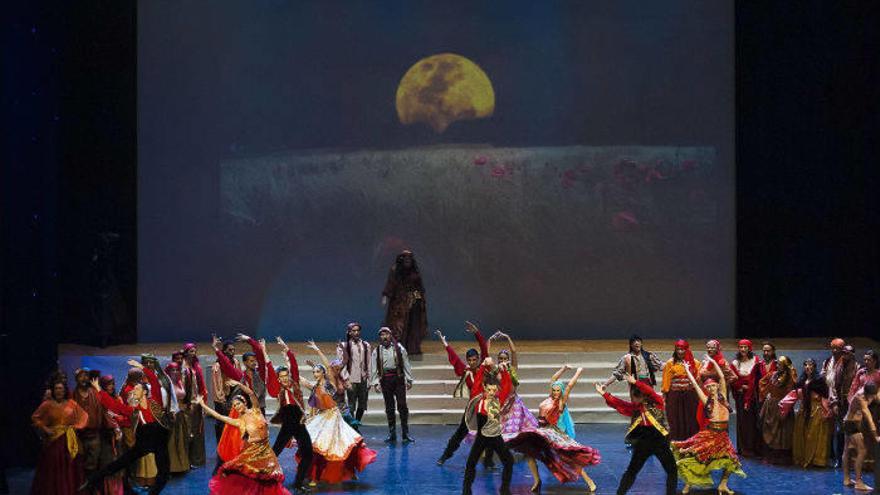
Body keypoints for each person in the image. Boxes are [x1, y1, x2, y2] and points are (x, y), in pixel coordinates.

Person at [79, 359, 172, 495]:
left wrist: (141, 367)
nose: (134, 391)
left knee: (164, 473)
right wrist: (99, 390)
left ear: (145, 392)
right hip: (144, 440)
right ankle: (93, 479)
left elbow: (154, 381)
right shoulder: (134, 410)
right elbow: (115, 406)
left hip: (159, 440)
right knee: (121, 462)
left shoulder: (155, 400)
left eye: (137, 389)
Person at [508, 365, 599, 492]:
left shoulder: (560, 402)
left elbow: (569, 386)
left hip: (552, 432)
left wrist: (578, 372)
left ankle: (589, 480)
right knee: (529, 452)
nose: (556, 392)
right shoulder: (549, 398)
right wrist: (564, 368)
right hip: (540, 430)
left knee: (568, 457)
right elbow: (553, 379)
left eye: (558, 391)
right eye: (554, 390)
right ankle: (537, 480)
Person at [196, 380, 291, 495]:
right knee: (250, 480)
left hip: (266, 453)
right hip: (251, 455)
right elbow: (219, 416)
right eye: (234, 406)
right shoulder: (239, 422)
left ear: (244, 402)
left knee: (266, 480)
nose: (236, 407)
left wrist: (239, 384)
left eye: (238, 404)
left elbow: (251, 393)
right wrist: (202, 405)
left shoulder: (256, 411)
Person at [672, 357, 745, 494]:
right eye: (708, 387)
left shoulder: (723, 396)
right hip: (710, 434)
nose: (711, 388)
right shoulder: (706, 400)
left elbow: (722, 376)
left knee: (731, 460)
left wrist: (713, 361)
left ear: (717, 386)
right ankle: (688, 484)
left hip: (722, 436)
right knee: (699, 459)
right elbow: (695, 384)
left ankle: (722, 485)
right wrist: (687, 370)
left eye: (713, 385)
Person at [598, 373, 676, 495]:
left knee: (672, 471)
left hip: (659, 441)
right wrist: (604, 394)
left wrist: (635, 382)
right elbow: (620, 404)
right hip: (643, 441)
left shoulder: (657, 402)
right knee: (632, 471)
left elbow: (650, 392)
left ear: (643, 396)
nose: (633, 400)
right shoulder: (636, 408)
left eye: (635, 397)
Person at [303, 359, 377, 484]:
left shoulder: (331, 383)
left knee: (342, 445)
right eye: (314, 372)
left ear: (324, 373)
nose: (315, 374)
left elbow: (327, 368)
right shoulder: (316, 387)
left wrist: (318, 351)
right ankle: (315, 475)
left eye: (317, 372)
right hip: (323, 417)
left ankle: (349, 471)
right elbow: (313, 400)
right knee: (318, 446)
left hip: (335, 416)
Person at [436, 322, 491, 465]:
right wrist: (445, 344)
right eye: (470, 360)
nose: (472, 362)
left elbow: (484, 349)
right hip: (472, 407)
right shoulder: (465, 371)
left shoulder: (483, 369)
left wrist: (476, 333)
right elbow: (454, 359)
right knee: (460, 432)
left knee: (489, 434)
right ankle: (445, 456)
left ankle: (489, 462)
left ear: (478, 359)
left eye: (475, 359)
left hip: (485, 406)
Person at [266, 337, 312, 494]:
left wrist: (286, 348)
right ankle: (265, 479)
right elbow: (270, 372)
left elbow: (294, 364)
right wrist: (264, 352)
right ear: (278, 379)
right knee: (275, 452)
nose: (285, 378)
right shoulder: (277, 389)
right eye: (282, 377)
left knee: (308, 453)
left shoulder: (295, 384)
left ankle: (299, 483)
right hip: (288, 421)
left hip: (298, 422)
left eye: (286, 375)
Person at [462, 371, 516, 495]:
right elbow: (476, 383)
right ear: (484, 388)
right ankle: (466, 491)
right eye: (489, 390)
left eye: (494, 390)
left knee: (509, 461)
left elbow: (507, 385)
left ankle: (504, 489)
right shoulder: (479, 401)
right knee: (471, 463)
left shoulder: (499, 400)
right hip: (482, 438)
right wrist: (483, 366)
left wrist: (504, 370)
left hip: (496, 437)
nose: (491, 392)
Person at [30, 380, 88, 495]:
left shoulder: (71, 404)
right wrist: (45, 429)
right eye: (56, 388)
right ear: (53, 390)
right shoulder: (47, 404)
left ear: (65, 390)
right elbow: (35, 418)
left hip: (69, 441)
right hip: (54, 442)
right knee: (54, 468)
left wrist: (76, 427)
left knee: (69, 468)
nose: (58, 391)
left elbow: (84, 416)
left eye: (61, 388)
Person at [487, 331, 540, 440]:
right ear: (498, 360)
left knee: (518, 428)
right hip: (501, 403)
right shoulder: (496, 371)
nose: (503, 361)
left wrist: (507, 337)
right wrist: (490, 341)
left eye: (505, 359)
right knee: (501, 430)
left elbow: (514, 352)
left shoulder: (513, 369)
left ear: (508, 360)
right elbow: (486, 356)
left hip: (514, 403)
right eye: (500, 359)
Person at [369, 327, 414, 444]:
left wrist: (409, 379)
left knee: (402, 405)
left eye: (386, 334)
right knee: (389, 407)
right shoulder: (377, 351)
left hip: (398, 379)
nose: (384, 337)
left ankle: (405, 433)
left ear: (390, 335)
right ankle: (392, 433)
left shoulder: (398, 348)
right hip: (386, 380)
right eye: (382, 335)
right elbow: (373, 367)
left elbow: (406, 363)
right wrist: (375, 383)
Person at [381, 249, 428, 355]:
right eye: (405, 258)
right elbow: (391, 284)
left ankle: (412, 348)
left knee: (413, 325)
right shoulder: (395, 270)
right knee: (398, 326)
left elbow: (419, 287)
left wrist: (419, 299)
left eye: (409, 258)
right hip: (399, 303)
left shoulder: (414, 271)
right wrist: (386, 295)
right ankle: (397, 347)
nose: (407, 260)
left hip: (413, 302)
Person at [71, 368, 111, 487]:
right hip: (79, 436)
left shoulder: (94, 393)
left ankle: (91, 487)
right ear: (76, 379)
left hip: (94, 435)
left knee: (94, 463)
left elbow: (103, 410)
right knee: (79, 462)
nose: (84, 378)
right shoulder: (72, 395)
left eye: (86, 376)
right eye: (80, 376)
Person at [822, 338, 858, 467]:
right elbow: (833, 387)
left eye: (848, 353)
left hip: (853, 404)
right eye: (844, 353)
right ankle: (838, 458)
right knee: (838, 431)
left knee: (852, 431)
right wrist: (835, 402)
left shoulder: (857, 368)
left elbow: (857, 387)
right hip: (838, 402)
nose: (845, 355)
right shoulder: (836, 366)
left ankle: (852, 459)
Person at [791, 358, 832, 468]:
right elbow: (797, 387)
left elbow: (825, 393)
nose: (808, 367)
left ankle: (815, 460)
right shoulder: (803, 379)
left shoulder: (819, 380)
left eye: (810, 365)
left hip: (815, 409)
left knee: (813, 434)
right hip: (804, 408)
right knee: (801, 433)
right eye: (806, 365)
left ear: (814, 367)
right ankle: (802, 457)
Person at [841, 382, 880, 491]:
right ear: (867, 393)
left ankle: (847, 479)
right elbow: (868, 417)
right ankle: (858, 482)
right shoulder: (860, 397)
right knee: (862, 450)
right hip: (851, 424)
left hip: (849, 422)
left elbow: (877, 398)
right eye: (871, 396)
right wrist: (876, 435)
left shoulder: (869, 391)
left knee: (847, 451)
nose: (872, 398)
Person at [758, 355, 797, 464]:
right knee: (769, 429)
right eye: (777, 364)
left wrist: (785, 404)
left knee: (783, 431)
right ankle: (770, 454)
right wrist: (767, 394)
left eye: (780, 364)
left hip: (783, 406)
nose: (778, 366)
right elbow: (762, 382)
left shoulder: (790, 377)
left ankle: (783, 456)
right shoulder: (773, 374)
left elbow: (792, 391)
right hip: (771, 406)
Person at [661, 340, 700, 442]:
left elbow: (698, 380)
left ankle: (691, 441)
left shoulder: (695, 363)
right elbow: (666, 380)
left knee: (690, 417)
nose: (680, 351)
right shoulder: (670, 363)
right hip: (674, 395)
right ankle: (676, 441)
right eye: (678, 349)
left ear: (687, 350)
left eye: (682, 349)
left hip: (690, 395)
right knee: (674, 417)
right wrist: (664, 395)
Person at [730, 339, 762, 457]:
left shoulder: (755, 360)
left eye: (745, 347)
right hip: (741, 396)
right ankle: (744, 449)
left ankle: (756, 448)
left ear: (749, 348)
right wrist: (740, 386)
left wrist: (752, 387)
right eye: (741, 347)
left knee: (754, 420)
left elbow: (759, 376)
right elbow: (732, 380)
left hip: (753, 395)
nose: (743, 349)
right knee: (743, 421)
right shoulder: (735, 363)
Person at [336, 322, 372, 423]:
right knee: (351, 403)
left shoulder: (365, 345)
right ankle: (353, 424)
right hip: (351, 378)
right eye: (353, 331)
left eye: (357, 330)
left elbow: (369, 362)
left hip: (363, 378)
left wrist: (370, 379)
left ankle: (357, 421)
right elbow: (341, 364)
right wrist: (345, 378)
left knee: (362, 403)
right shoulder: (344, 346)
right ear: (349, 332)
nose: (356, 333)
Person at [181, 342, 207, 468]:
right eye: (191, 351)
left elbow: (201, 386)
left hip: (197, 402)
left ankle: (196, 459)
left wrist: (202, 400)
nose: (194, 353)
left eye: (195, 351)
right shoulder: (182, 368)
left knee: (197, 431)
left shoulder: (196, 366)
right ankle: (186, 460)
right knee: (187, 431)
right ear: (186, 352)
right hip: (186, 404)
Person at [211, 338, 241, 444]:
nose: (232, 352)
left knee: (234, 422)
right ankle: (221, 445)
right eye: (230, 350)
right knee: (222, 423)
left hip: (234, 396)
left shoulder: (236, 362)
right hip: (222, 398)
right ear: (224, 351)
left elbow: (239, 376)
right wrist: (221, 400)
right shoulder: (217, 365)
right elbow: (216, 384)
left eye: (233, 350)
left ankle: (232, 445)